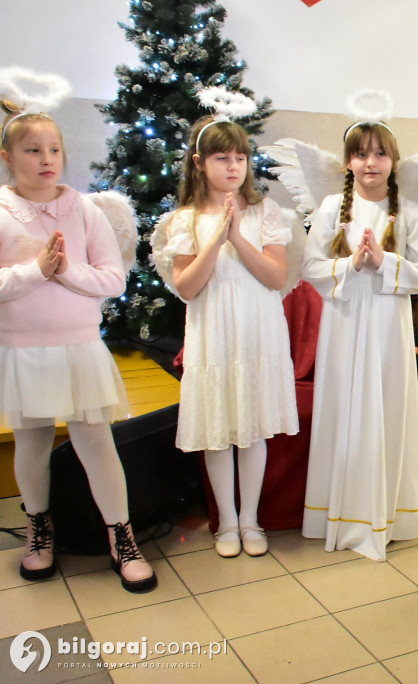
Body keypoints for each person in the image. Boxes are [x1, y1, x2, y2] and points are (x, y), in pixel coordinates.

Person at [0, 97, 156, 591]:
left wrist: (66, 270)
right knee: (32, 439)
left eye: (54, 149)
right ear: (7, 157)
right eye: (32, 150)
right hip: (23, 348)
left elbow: (112, 279)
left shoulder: (85, 209)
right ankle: (38, 530)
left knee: (95, 439)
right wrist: (34, 271)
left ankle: (121, 535)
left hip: (79, 347)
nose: (46, 160)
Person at [163, 114, 299, 558]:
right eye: (222, 158)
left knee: (252, 428)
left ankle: (250, 521)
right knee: (218, 429)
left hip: (257, 333)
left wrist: (238, 238)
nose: (234, 166)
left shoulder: (265, 212)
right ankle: (225, 522)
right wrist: (214, 237)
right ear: (200, 163)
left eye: (240, 157)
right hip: (213, 334)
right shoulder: (184, 219)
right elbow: (187, 286)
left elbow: (276, 276)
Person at [301, 117, 418, 561]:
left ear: (394, 161)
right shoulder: (328, 209)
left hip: (388, 329)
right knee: (344, 409)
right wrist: (349, 266)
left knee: (386, 409)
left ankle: (389, 513)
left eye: (380, 153)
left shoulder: (411, 213)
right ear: (347, 162)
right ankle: (336, 514)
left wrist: (385, 262)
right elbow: (310, 267)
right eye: (361, 153)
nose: (371, 162)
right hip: (343, 325)